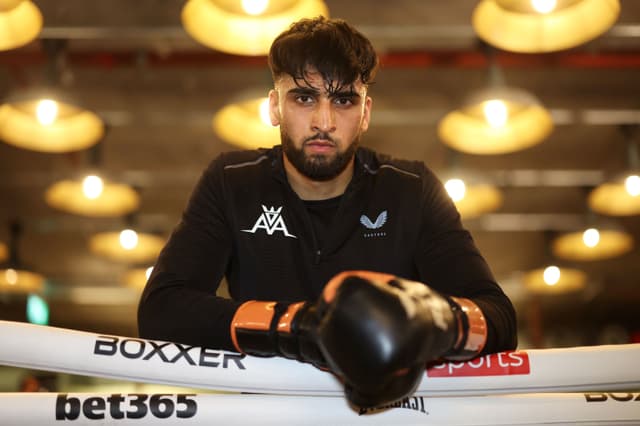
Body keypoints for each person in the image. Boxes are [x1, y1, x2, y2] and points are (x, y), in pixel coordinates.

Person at [138, 16, 517, 408]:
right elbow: (161, 310)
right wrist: (297, 328)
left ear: (366, 113)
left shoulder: (409, 189)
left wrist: (431, 320)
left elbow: (500, 319)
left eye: (343, 100)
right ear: (274, 107)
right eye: (304, 98)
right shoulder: (233, 183)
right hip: (272, 417)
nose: (324, 122)